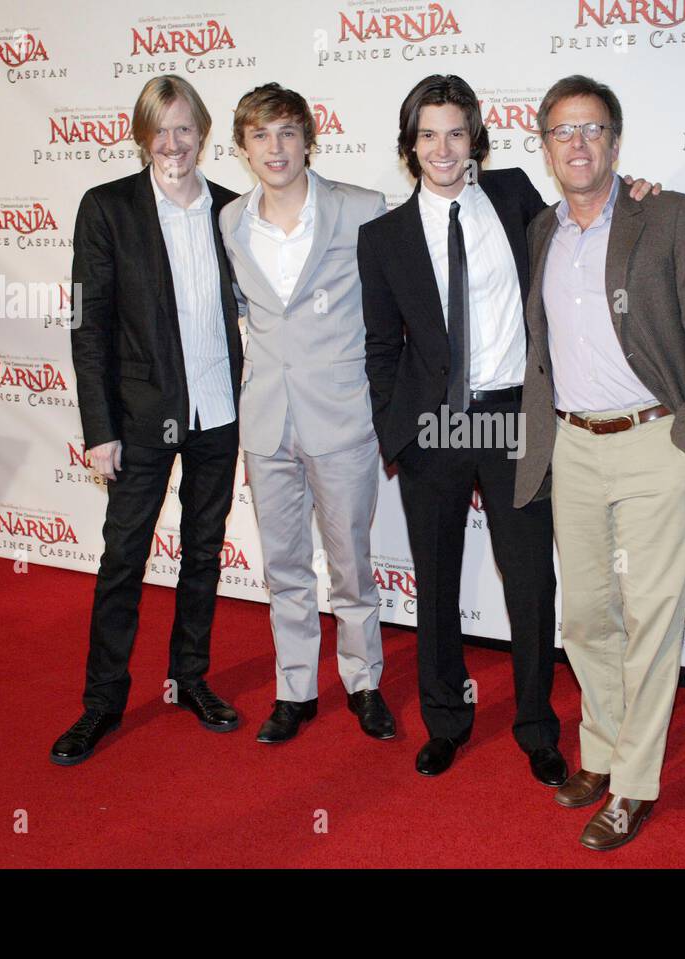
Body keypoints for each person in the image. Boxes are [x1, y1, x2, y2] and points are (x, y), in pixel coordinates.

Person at [359, 74, 655, 783]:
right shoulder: (384, 237)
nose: (442, 147)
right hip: (433, 427)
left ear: (476, 140)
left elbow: (590, 214)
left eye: (456, 132)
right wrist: (394, 431)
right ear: (410, 145)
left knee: (530, 583)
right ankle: (446, 721)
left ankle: (537, 728)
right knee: (435, 583)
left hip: (512, 417)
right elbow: (379, 346)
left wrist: (636, 198)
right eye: (428, 134)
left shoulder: (518, 195)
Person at [513, 75, 685, 849]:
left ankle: (635, 783)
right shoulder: (542, 230)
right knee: (585, 615)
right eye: (563, 131)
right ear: (543, 147)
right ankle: (601, 753)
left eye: (593, 129)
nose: (578, 144)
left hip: (655, 442)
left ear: (615, 141)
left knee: (651, 618)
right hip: (572, 445)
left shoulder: (670, 215)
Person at [51, 75, 243, 765]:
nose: (174, 142)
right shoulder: (107, 209)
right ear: (141, 137)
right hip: (139, 415)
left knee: (203, 549)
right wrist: (99, 427)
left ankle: (190, 678)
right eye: (160, 129)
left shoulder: (230, 209)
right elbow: (88, 324)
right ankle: (102, 700)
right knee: (123, 557)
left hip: (218, 410)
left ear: (203, 132)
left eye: (185, 127)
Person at [218, 83, 394, 744]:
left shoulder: (362, 209)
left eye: (288, 132)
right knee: (285, 566)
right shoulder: (232, 221)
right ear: (242, 148)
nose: (276, 147)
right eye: (261, 135)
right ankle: (295, 687)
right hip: (266, 420)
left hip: (342, 418)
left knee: (350, 564)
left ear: (309, 140)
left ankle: (364, 681)